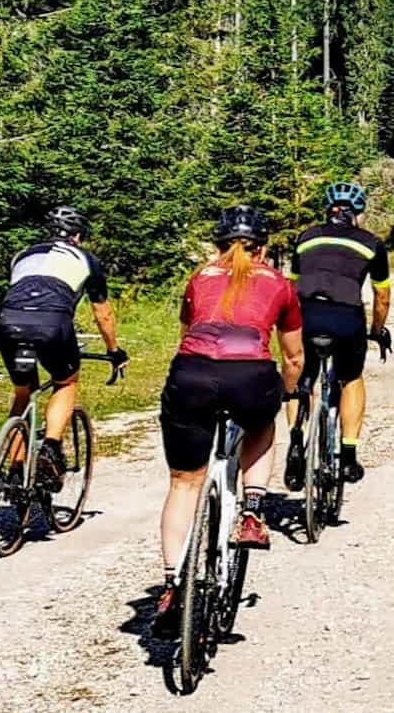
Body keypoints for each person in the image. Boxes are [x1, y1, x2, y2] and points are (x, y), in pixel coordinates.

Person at [152, 205, 304, 639]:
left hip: (192, 375)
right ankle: (253, 510)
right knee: (262, 426)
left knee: (183, 483)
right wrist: (288, 391)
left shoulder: (199, 277)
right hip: (250, 376)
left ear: (217, 244)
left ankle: (172, 583)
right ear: (265, 247)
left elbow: (187, 335)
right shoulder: (280, 284)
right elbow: (293, 356)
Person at [0, 207, 128, 490]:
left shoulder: (23, 255)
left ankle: (15, 471)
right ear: (78, 235)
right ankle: (51, 451)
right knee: (65, 383)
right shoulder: (86, 259)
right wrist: (114, 351)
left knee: (23, 394)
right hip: (52, 322)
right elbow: (102, 314)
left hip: (9, 321)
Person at [283, 182, 392, 488]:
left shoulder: (305, 238)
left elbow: (291, 288)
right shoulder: (371, 243)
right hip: (346, 317)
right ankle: (347, 453)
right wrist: (377, 330)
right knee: (351, 378)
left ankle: (295, 442)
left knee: (301, 380)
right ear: (357, 214)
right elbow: (381, 297)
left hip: (305, 315)